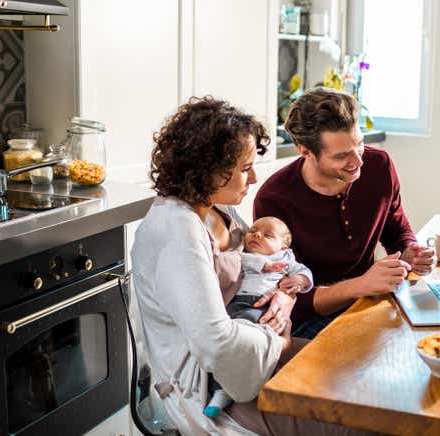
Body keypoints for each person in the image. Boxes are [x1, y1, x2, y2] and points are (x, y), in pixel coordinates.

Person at [132, 96, 374, 436]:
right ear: (209, 170)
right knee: (361, 421)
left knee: (364, 380)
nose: (255, 176)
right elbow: (218, 344)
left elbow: (265, 267)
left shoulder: (217, 209)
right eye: (245, 168)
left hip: (251, 355)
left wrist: (286, 297)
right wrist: (279, 340)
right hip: (209, 389)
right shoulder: (177, 230)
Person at [254, 88, 435, 339]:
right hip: (312, 319)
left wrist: (409, 249)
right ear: (305, 151)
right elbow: (290, 301)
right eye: (341, 156)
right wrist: (360, 286)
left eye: (359, 145)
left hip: (367, 301)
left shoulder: (379, 166)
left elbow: (395, 226)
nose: (359, 161)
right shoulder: (274, 200)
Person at [204, 216, 313, 418]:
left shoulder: (287, 259)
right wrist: (264, 265)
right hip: (236, 302)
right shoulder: (245, 256)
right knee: (222, 343)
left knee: (248, 343)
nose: (257, 234)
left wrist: (300, 280)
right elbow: (237, 260)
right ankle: (219, 390)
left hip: (260, 308)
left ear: (283, 248)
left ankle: (241, 384)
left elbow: (305, 274)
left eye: (268, 235)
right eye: (253, 230)